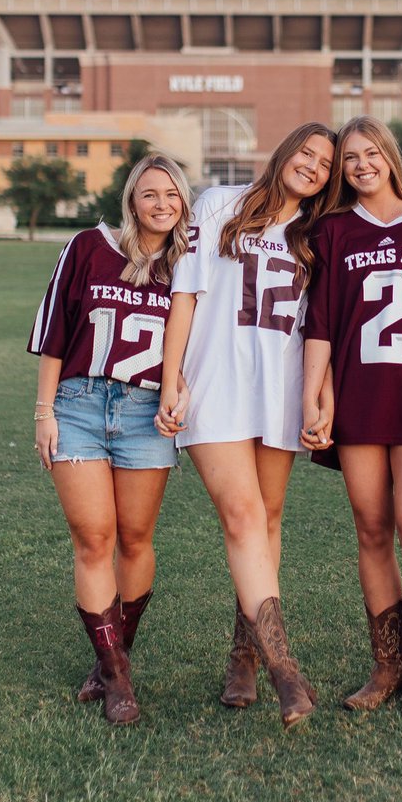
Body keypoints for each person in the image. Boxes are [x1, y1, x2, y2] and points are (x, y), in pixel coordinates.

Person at [156, 123, 337, 729]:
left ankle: (244, 656)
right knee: (242, 517)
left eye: (324, 163)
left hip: (279, 388)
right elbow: (187, 293)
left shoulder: (316, 235)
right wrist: (171, 375)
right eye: (305, 152)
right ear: (284, 152)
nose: (312, 165)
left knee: (268, 519)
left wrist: (320, 397)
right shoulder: (220, 204)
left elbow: (320, 328)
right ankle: (287, 670)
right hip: (215, 384)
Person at [300, 115, 402, 718]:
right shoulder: (333, 230)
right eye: (350, 159)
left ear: (390, 157)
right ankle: (386, 668)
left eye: (371, 154)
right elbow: (320, 322)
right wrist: (317, 396)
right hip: (359, 397)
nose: (362, 165)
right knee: (371, 532)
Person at [29, 153, 191, 726]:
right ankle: (118, 677)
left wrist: (182, 393)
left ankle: (112, 654)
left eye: (172, 194)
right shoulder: (89, 247)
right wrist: (44, 411)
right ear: (131, 200)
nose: (162, 204)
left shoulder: (189, 263)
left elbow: (196, 343)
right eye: (150, 194)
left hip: (146, 411)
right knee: (93, 538)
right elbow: (55, 332)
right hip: (77, 403)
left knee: (135, 538)